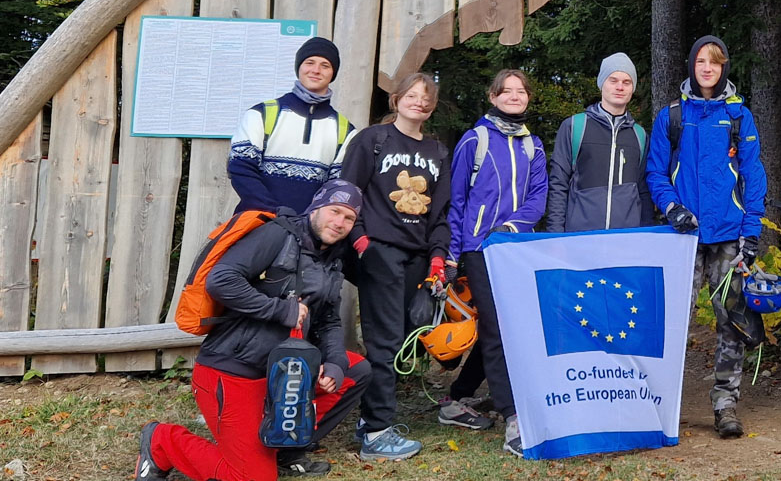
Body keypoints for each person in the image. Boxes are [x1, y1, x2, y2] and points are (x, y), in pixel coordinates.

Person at [135, 183, 370, 481]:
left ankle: (284, 446)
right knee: (249, 477)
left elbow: (329, 322)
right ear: (316, 207)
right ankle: (163, 441)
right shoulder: (277, 235)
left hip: (282, 369)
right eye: (334, 211)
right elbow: (221, 281)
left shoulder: (332, 257)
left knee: (355, 370)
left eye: (349, 218)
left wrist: (336, 363)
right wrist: (281, 310)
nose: (340, 223)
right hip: (234, 369)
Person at [646, 35, 768, 440]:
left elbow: (754, 177)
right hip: (682, 237)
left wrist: (751, 234)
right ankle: (661, 405)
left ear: (723, 68)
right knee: (672, 323)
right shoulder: (673, 116)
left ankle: (725, 404)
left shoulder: (738, 117)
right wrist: (671, 208)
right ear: (690, 65)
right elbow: (656, 173)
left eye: (714, 62)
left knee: (731, 322)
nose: (707, 68)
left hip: (728, 237)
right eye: (700, 61)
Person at [340, 72, 464, 459]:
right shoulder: (372, 140)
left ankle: (368, 418)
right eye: (413, 95)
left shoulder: (437, 152)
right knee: (385, 340)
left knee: (408, 336)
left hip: (420, 257)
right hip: (379, 251)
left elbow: (440, 212)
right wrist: (361, 241)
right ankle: (377, 434)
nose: (420, 102)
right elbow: (348, 191)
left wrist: (438, 257)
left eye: (427, 98)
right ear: (397, 99)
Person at [447, 70, 548, 457]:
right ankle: (513, 417)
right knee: (498, 328)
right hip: (479, 247)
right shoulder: (475, 140)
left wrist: (512, 226)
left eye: (521, 91)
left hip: (516, 246)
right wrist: (454, 253)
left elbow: (538, 196)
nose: (515, 96)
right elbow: (457, 201)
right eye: (507, 91)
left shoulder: (533, 146)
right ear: (492, 96)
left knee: (506, 326)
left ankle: (457, 396)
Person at [229, 37, 355, 214]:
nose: (316, 70)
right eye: (309, 62)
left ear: (333, 73)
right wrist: (273, 211)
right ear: (299, 68)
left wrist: (308, 222)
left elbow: (335, 187)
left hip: (308, 231)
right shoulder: (262, 114)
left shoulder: (345, 130)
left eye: (325, 65)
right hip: (258, 223)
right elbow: (241, 168)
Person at [545, 52, 652, 232]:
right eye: (613, 80)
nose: (620, 87)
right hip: (581, 238)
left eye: (627, 82)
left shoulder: (639, 135)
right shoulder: (575, 126)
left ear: (632, 89)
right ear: (602, 84)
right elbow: (558, 183)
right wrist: (555, 234)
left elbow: (643, 191)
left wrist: (647, 235)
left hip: (626, 240)